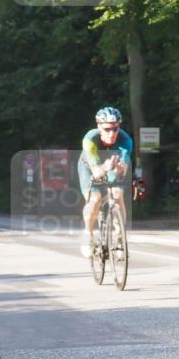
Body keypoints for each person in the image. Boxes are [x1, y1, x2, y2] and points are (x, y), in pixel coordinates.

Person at [78, 106, 134, 257]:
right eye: (107, 129)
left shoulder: (125, 140)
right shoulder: (90, 140)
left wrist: (118, 170)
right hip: (90, 167)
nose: (112, 133)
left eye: (115, 129)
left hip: (112, 166)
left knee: (117, 194)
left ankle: (120, 237)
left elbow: (122, 169)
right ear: (99, 127)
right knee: (95, 200)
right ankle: (87, 234)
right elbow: (96, 172)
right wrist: (105, 167)